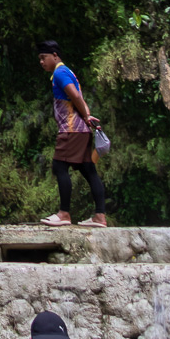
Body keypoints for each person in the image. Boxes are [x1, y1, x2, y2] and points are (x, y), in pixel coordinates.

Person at [37, 39, 106, 227]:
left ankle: (64, 214)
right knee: (89, 170)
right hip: (80, 130)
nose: (42, 62)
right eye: (40, 59)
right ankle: (100, 217)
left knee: (59, 167)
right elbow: (78, 96)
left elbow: (75, 96)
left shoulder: (60, 72)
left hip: (72, 129)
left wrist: (87, 116)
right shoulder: (66, 72)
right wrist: (87, 117)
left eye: (44, 58)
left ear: (55, 56)